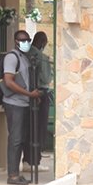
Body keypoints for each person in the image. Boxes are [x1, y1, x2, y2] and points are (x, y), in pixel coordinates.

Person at [1, 29, 42, 185]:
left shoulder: (23, 57)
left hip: (23, 103)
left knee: (21, 138)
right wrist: (29, 94)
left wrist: (31, 96)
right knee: (15, 139)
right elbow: (9, 81)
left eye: (28, 40)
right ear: (16, 41)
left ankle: (16, 173)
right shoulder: (11, 58)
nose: (26, 43)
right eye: (22, 40)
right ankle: (12, 176)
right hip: (14, 104)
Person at [28, 31, 55, 170]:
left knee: (28, 129)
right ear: (43, 43)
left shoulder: (25, 54)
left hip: (25, 94)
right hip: (40, 93)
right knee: (40, 128)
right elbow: (46, 79)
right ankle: (35, 162)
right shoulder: (41, 56)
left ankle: (27, 160)